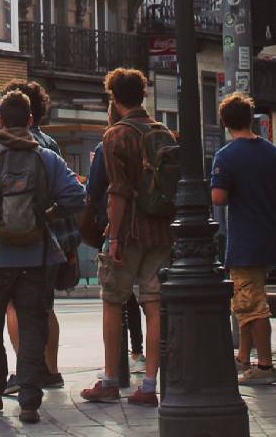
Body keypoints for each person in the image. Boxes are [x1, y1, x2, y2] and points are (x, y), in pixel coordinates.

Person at [0, 89, 86, 425]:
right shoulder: (48, 158)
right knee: (32, 326)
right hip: (37, 256)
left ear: (0, 119)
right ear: (30, 120)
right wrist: (48, 214)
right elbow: (76, 197)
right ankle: (29, 401)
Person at [81, 68, 177, 407]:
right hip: (161, 230)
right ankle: (150, 384)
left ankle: (110, 380)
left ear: (114, 98)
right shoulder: (163, 131)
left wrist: (116, 239)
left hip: (130, 230)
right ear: (142, 95)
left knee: (112, 300)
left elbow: (117, 191)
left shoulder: (116, 135)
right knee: (154, 304)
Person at [0, 78, 76, 395]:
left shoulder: (2, 146)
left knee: (15, 305)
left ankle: (24, 373)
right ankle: (51, 371)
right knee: (45, 306)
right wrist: (68, 243)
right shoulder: (51, 146)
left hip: (16, 240)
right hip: (50, 241)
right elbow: (71, 195)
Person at [210, 92, 276, 385]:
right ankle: (243, 357)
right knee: (246, 299)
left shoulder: (226, 155)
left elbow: (219, 196)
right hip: (269, 233)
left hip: (245, 238)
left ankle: (264, 366)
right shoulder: (271, 151)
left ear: (225, 122)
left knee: (253, 305)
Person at [87, 142, 144, 367]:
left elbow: (93, 190)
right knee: (149, 298)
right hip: (150, 228)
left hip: (115, 228)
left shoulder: (106, 146)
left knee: (114, 296)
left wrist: (112, 237)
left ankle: (114, 372)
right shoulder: (153, 137)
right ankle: (142, 359)